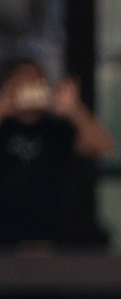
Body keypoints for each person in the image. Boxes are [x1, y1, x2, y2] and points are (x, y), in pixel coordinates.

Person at [0, 58, 112, 250]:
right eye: (22, 84)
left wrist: (74, 110)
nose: (30, 90)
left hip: (51, 238)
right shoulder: (4, 128)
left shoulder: (57, 130)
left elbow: (102, 147)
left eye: (36, 83)